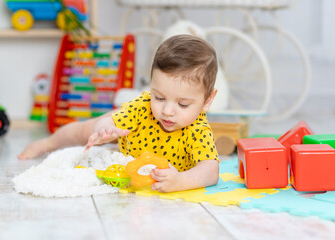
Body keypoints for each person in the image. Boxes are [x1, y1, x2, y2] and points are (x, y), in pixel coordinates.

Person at [19, 34, 220, 193]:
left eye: (183, 104)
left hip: (137, 155)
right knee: (85, 130)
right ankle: (47, 142)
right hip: (127, 129)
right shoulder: (144, 106)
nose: (167, 111)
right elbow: (106, 124)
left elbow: (210, 171)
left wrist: (181, 181)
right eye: (158, 97)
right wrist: (105, 130)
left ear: (207, 101)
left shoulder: (198, 130)